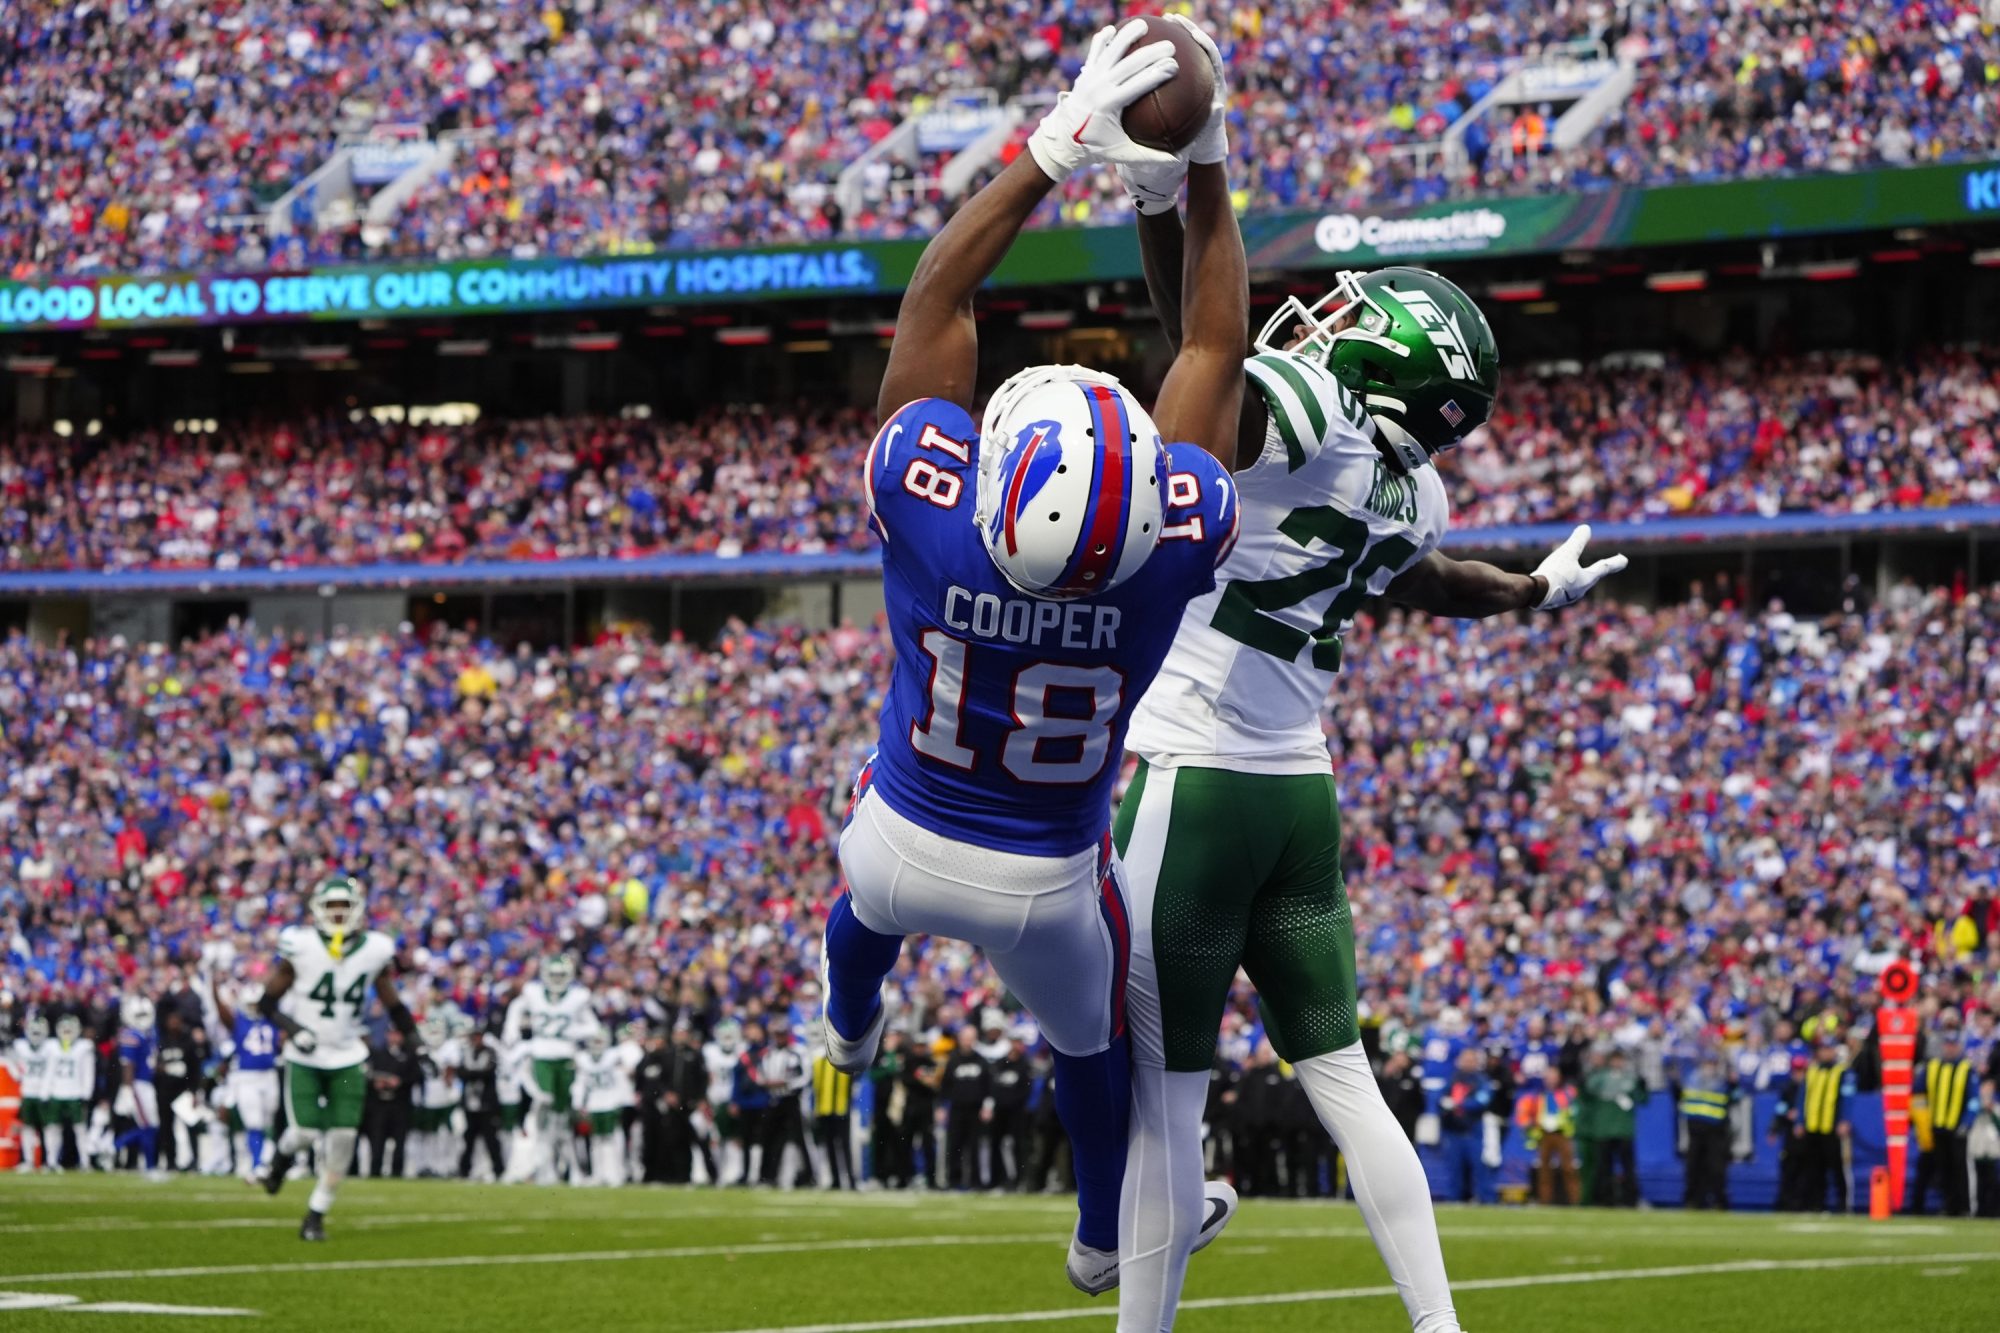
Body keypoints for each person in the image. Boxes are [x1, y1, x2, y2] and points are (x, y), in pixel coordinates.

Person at [1110, 15, 1625, 1319]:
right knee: (1343, 1078)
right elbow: (1443, 583)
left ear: (1380, 355)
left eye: (1356, 314)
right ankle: (1440, 1323)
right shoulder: (1417, 487)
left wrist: (1162, 192)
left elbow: (1199, 350)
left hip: (1194, 772)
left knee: (1167, 1097)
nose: (1329, 315)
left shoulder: (1309, 413)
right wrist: (1537, 591)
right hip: (1300, 794)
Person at [816, 16, 1246, 1294]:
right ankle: (1098, 1234)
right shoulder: (1171, 543)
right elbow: (1213, 347)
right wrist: (1201, 162)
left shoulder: (934, 504)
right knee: (1091, 1046)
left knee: (856, 909)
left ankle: (848, 1020)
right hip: (1049, 884)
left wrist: (1051, 152)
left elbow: (935, 295)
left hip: (900, 841)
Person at [256, 874, 422, 1241]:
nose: (337, 913)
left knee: (344, 1137)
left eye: (343, 906)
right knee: (303, 1131)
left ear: (357, 910)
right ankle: (280, 1161)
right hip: (305, 1055)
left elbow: (390, 1000)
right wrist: (294, 1028)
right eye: (331, 906)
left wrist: (415, 1040)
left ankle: (315, 1214)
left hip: (348, 1056)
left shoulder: (375, 950)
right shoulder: (299, 945)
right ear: (317, 909)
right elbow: (267, 1002)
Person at [501, 954, 598, 1185]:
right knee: (543, 1107)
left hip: (565, 1056)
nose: (556, 979)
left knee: (563, 1115)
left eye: (560, 975)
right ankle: (543, 1167)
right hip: (542, 1055)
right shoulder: (533, 993)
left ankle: (566, 1167)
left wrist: (573, 1031)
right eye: (552, 974)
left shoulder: (578, 997)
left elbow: (594, 1026)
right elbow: (516, 1006)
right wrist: (511, 1028)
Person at [207, 975, 281, 1181]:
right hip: (246, 1076)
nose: (254, 1007)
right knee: (254, 1121)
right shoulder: (238, 1021)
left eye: (257, 1003)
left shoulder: (272, 1019)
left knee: (268, 1121)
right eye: (251, 1003)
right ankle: (257, 1165)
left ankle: (266, 1162)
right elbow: (222, 1012)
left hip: (269, 1074)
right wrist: (213, 990)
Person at [1910, 1026, 1976, 1217]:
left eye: (1953, 1045)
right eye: (1947, 1045)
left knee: (1959, 1168)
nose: (1950, 1049)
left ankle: (1963, 1207)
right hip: (1936, 1126)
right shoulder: (1931, 1068)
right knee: (1942, 1169)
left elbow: (1973, 1099)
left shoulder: (1966, 1069)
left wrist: (1967, 1122)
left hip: (1957, 1127)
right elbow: (1918, 1096)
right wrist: (1922, 1124)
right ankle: (1947, 1205)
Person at [1786, 1036, 1853, 1213]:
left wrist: (1844, 1120)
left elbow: (1847, 1098)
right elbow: (1802, 1098)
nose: (1825, 1053)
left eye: (1828, 1049)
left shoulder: (1841, 1072)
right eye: (1822, 1049)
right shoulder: (1812, 1071)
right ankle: (1817, 1203)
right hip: (1813, 1126)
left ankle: (1842, 1204)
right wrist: (1800, 1121)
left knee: (1836, 1167)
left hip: (1830, 1126)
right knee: (1814, 1168)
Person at [1584, 1048, 1645, 1207]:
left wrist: (1643, 1085)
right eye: (1615, 1059)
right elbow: (1587, 1092)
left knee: (1628, 1167)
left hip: (1624, 1129)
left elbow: (1643, 1099)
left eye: (1620, 1059)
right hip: (1604, 1129)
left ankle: (1630, 1199)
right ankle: (1605, 1199)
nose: (1618, 1063)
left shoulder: (1630, 1079)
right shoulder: (1600, 1078)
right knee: (1604, 1167)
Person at [1676, 1054, 1735, 1210]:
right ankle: (1694, 1200)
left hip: (1716, 1131)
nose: (1710, 1067)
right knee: (1694, 1166)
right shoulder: (1692, 1079)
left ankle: (1718, 1200)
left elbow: (1735, 1096)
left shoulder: (1722, 1082)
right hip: (1695, 1129)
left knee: (1716, 1168)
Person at [1519, 1065, 1580, 1205]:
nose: (1551, 1080)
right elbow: (1525, 1114)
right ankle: (1544, 1201)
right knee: (1544, 1170)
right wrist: (1530, 1126)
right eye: (1548, 1077)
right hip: (1543, 1134)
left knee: (1568, 1168)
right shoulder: (1537, 1096)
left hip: (1562, 1134)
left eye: (1554, 1076)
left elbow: (1575, 1110)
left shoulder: (1567, 1094)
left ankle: (1575, 1200)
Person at [362, 1030, 418, 1179]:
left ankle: (397, 1172)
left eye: (397, 1034)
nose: (394, 1037)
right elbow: (366, 1074)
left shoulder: (409, 1055)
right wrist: (376, 1083)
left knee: (400, 1141)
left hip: (400, 1104)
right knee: (377, 1139)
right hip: (380, 1104)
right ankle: (375, 1171)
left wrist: (400, 1082)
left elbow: (416, 1077)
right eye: (391, 1034)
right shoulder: (378, 1054)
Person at [941, 1027, 991, 1191]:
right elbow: (945, 1085)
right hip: (957, 1109)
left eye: (971, 1038)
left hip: (975, 1109)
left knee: (975, 1146)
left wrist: (987, 1107)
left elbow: (988, 1086)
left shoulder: (981, 1060)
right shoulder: (953, 1059)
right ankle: (953, 1180)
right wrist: (942, 1107)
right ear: (960, 1039)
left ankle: (975, 1181)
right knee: (954, 1145)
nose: (968, 1041)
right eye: (965, 1038)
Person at [42, 1014, 94, 1171]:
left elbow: (88, 1072)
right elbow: (48, 1071)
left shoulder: (84, 1047)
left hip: (75, 1093)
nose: (66, 1032)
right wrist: (45, 1092)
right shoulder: (51, 1046)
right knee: (52, 1128)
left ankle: (85, 1162)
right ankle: (51, 1162)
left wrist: (86, 1093)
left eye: (69, 1029)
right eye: (64, 1029)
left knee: (80, 1130)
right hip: (56, 1092)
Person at [811, 1040, 857, 1191]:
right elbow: (815, 1087)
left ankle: (850, 1181)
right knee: (830, 1146)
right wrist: (815, 1109)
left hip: (841, 1109)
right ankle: (835, 1180)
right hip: (824, 1110)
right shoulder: (818, 1062)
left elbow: (853, 1083)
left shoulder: (846, 1062)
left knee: (844, 1146)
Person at [9, 1014, 51, 1172]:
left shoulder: (50, 1047)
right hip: (28, 1092)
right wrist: (17, 1073)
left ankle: (48, 1161)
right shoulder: (20, 1046)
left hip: (44, 1092)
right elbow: (14, 1067)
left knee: (46, 1129)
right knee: (27, 1128)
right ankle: (28, 1160)